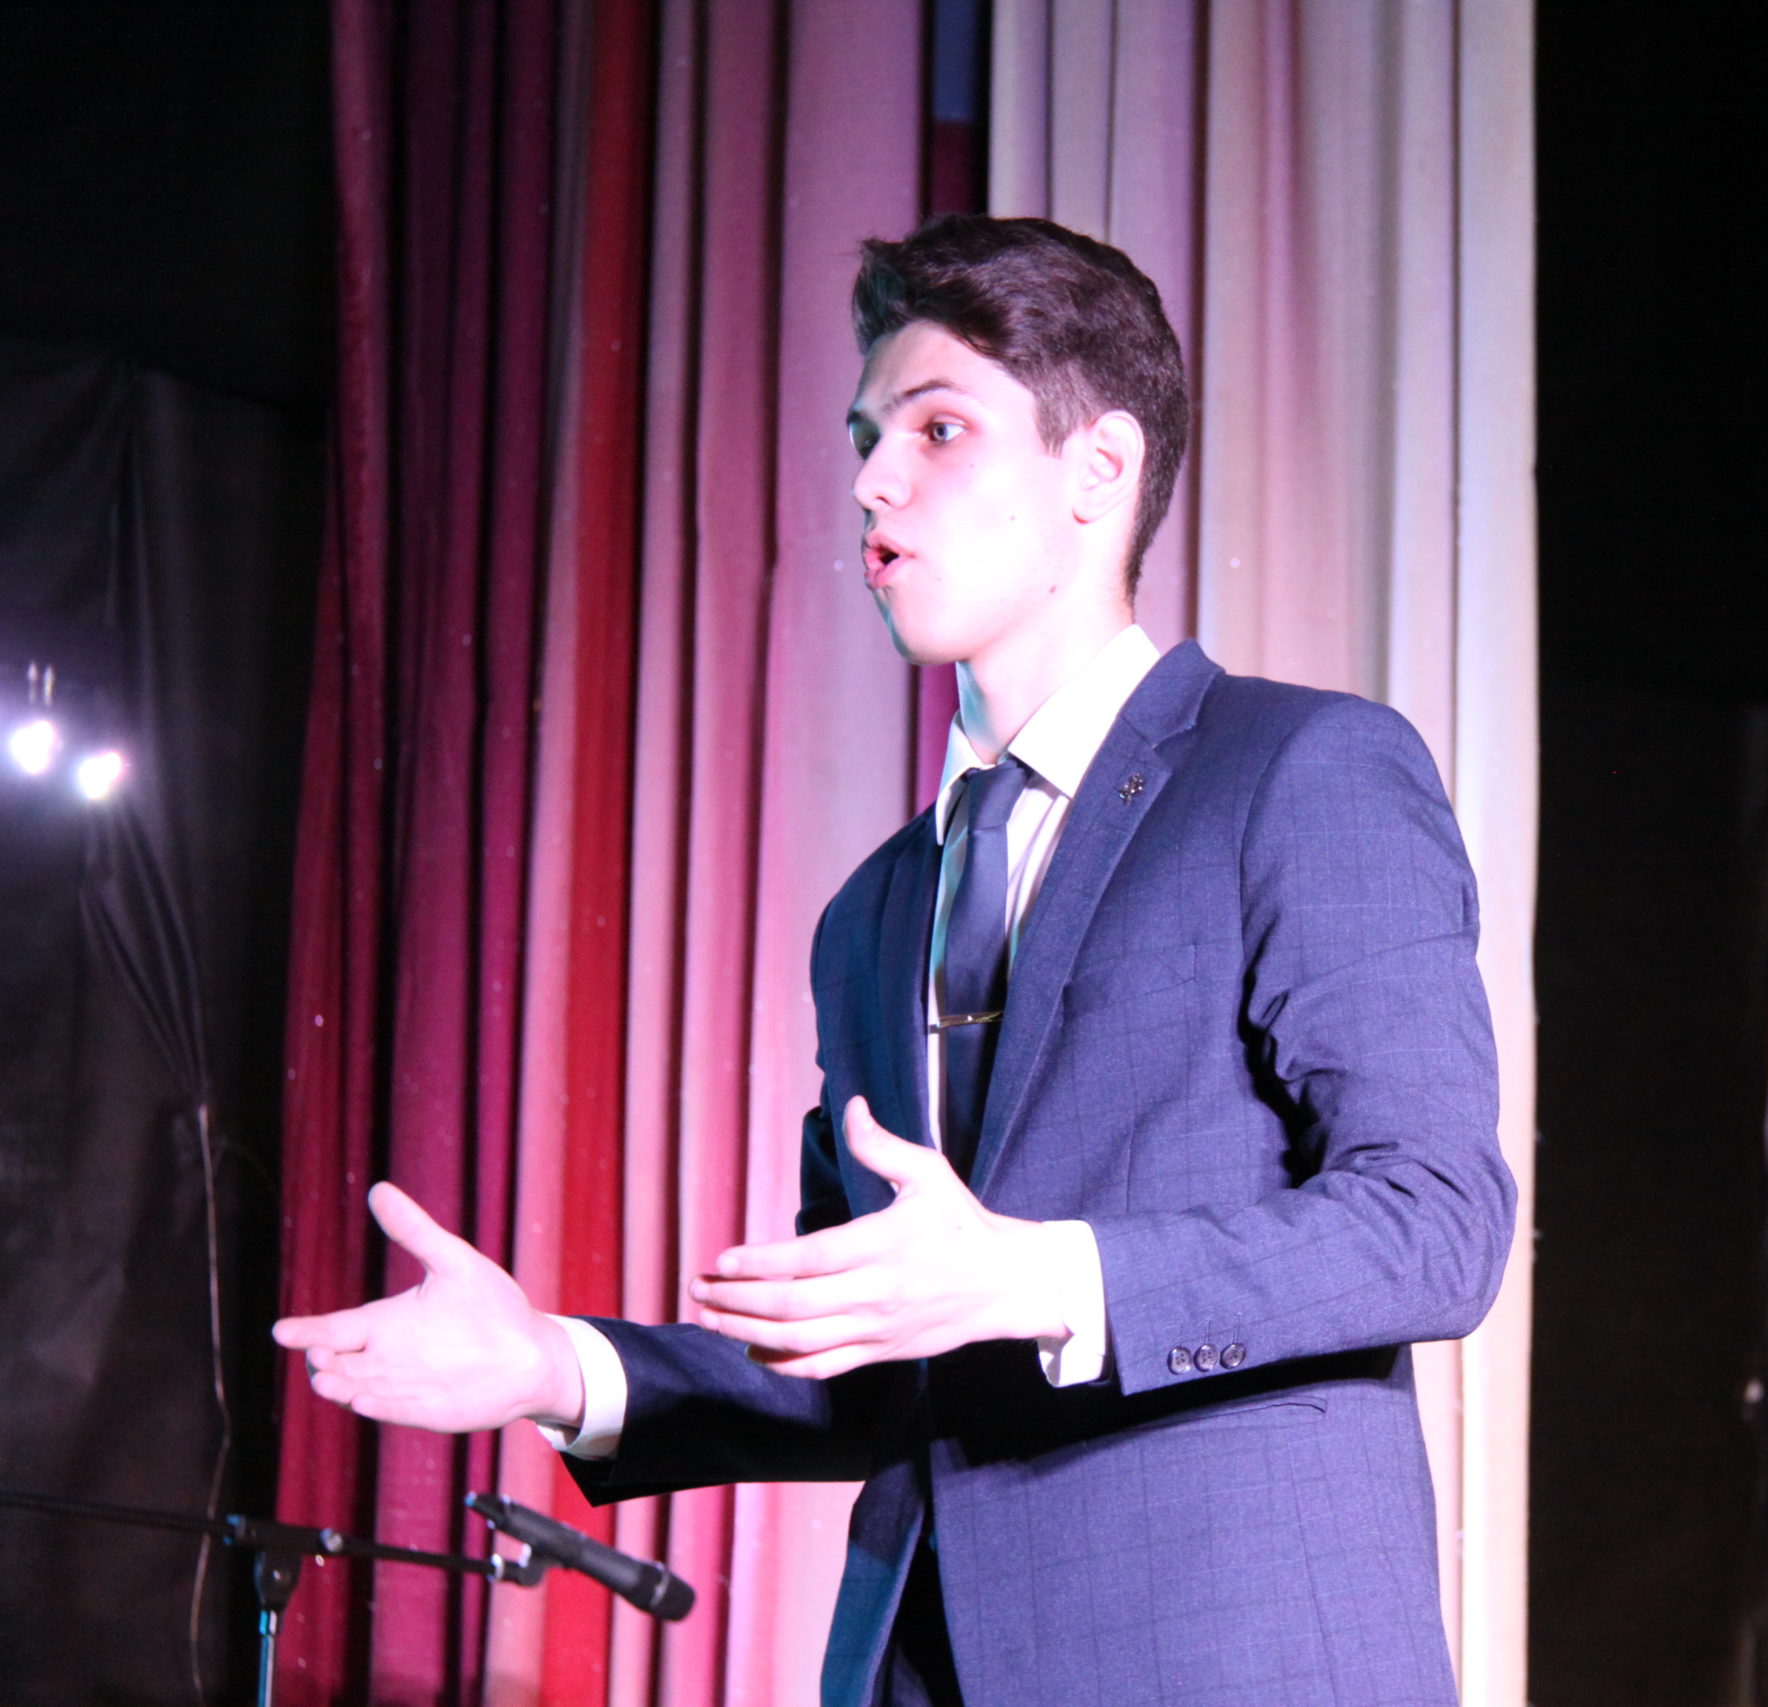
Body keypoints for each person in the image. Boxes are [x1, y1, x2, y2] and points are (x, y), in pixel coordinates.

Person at [275, 214, 1514, 1707]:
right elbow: (867, 1368)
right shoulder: (874, 910)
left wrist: (1036, 1277)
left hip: (1227, 1660)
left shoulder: (1299, 769)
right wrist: (555, 1365)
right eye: (868, 439)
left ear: (1099, 471)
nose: (872, 481)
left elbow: (1437, 1224)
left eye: (938, 429)